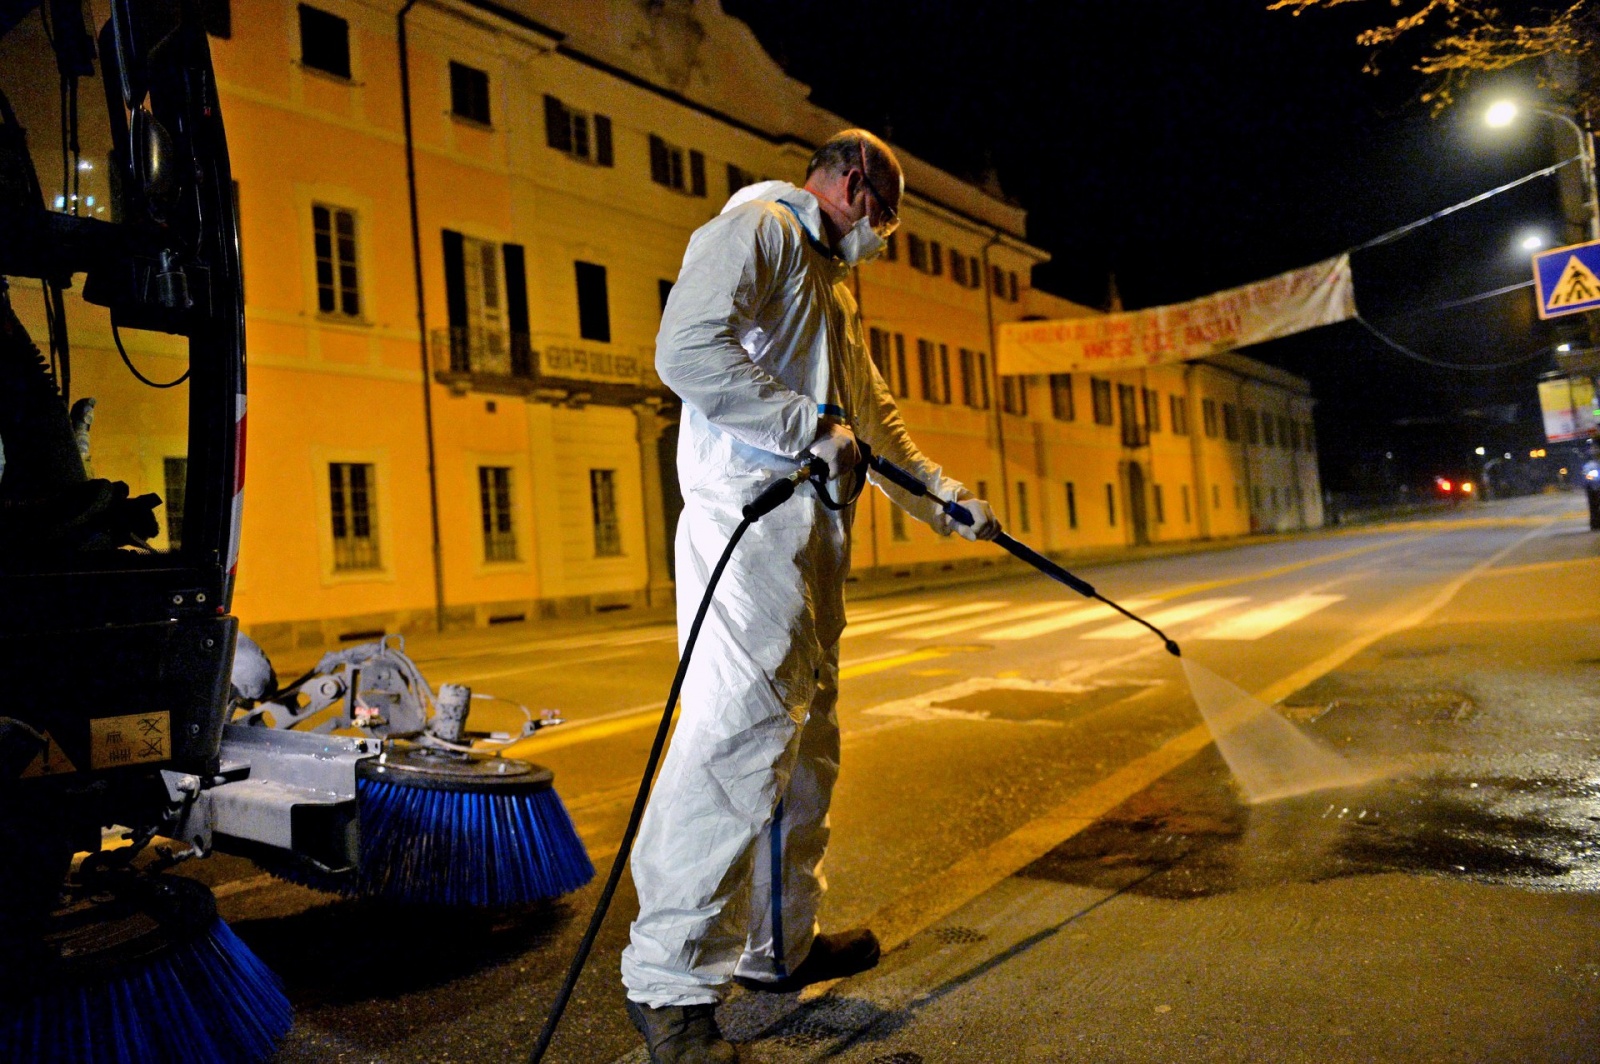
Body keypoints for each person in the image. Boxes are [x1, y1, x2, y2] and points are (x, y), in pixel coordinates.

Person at [620, 129, 1000, 1063]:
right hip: (746, 530)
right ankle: (667, 985)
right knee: (734, 743)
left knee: (804, 751)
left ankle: (777, 949)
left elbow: (869, 422)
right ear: (853, 182)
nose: (890, 231)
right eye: (889, 211)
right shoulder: (757, 232)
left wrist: (947, 504)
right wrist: (803, 426)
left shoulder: (831, 281)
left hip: (812, 542)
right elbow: (688, 353)